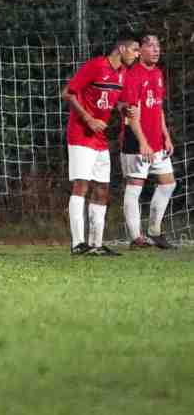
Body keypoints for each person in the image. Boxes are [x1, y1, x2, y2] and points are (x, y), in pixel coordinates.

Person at [62, 33, 139, 256]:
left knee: (103, 188)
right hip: (81, 134)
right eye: (134, 50)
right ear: (122, 49)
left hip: (100, 138)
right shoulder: (96, 66)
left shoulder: (123, 74)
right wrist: (88, 118)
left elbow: (116, 102)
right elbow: (67, 93)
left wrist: (124, 109)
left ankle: (96, 244)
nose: (136, 54)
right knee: (82, 185)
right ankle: (78, 243)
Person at [120, 32, 176, 250]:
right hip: (137, 142)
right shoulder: (133, 75)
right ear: (140, 50)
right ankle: (136, 238)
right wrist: (143, 142)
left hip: (157, 143)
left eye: (158, 45)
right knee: (135, 186)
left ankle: (154, 232)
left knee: (168, 183)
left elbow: (158, 107)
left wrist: (166, 136)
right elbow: (130, 114)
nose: (156, 50)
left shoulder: (159, 74)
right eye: (150, 46)